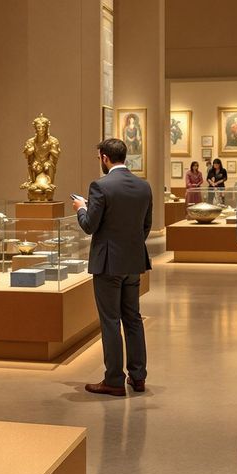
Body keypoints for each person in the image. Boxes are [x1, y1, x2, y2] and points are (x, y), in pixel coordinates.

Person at [73, 138, 153, 396]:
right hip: (133, 262)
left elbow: (89, 225)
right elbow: (146, 226)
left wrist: (81, 208)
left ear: (105, 158)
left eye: (99, 158)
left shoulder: (100, 186)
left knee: (110, 321)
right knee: (133, 319)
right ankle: (138, 377)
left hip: (108, 265)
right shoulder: (143, 186)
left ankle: (114, 380)